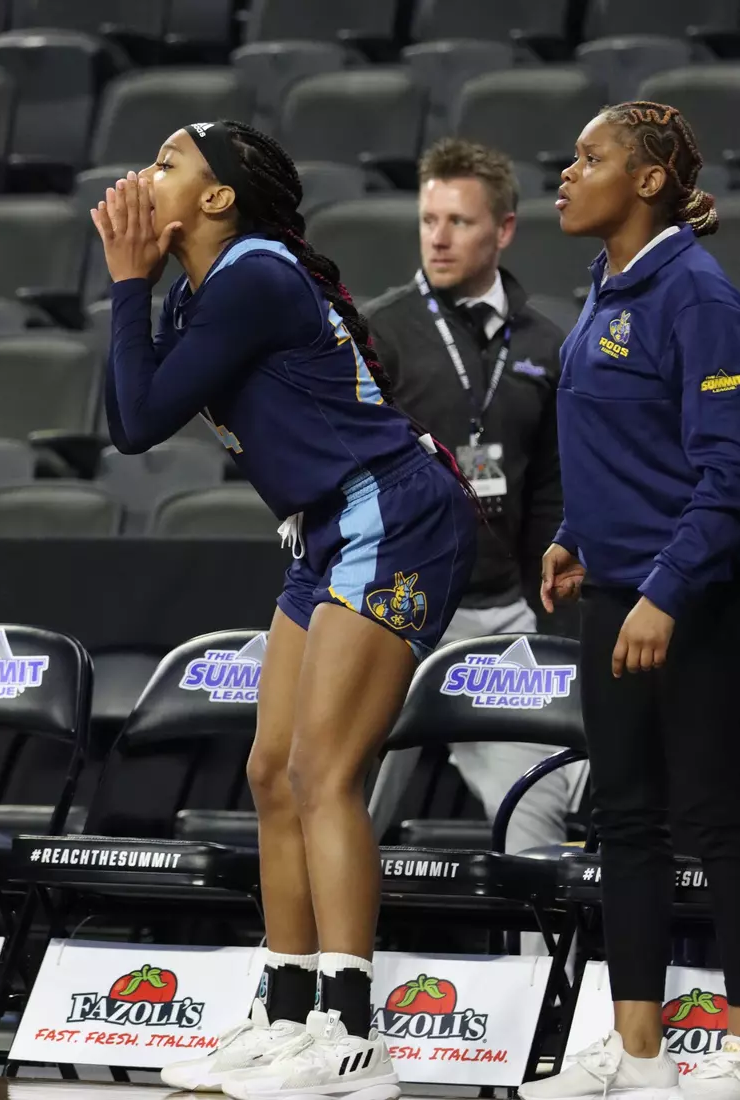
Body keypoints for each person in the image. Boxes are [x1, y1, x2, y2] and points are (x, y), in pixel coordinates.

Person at [91, 120, 476, 1099]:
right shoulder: (200, 292)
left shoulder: (256, 276)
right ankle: (286, 1006)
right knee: (270, 767)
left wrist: (130, 283)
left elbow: (135, 421)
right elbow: (127, 413)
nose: (145, 172)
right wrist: (132, 284)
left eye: (168, 160)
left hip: (390, 509)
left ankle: (352, 1031)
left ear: (218, 198)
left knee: (321, 766)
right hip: (323, 526)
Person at [521, 101, 740, 1100]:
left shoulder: (695, 295)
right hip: (613, 593)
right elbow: (615, 449)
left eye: (588, 157)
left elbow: (726, 473)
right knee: (624, 822)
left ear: (645, 179)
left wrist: (663, 588)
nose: (564, 174)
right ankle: (635, 1047)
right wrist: (573, 534)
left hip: (690, 602)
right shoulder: (604, 286)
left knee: (716, 817)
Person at [366, 139, 581, 862]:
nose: (437, 236)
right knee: (341, 801)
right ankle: (310, 965)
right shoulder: (378, 333)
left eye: (458, 221)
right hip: (397, 610)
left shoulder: (546, 345)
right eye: (429, 219)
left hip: (500, 615)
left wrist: (537, 593)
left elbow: (551, 486)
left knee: (537, 801)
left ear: (504, 230)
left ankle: (537, 973)